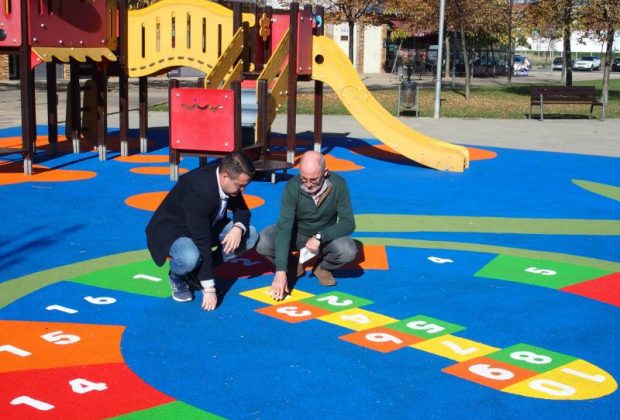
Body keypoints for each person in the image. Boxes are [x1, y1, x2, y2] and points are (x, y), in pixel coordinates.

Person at [146, 151, 258, 311]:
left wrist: (238, 227)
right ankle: (177, 276)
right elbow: (202, 240)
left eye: (245, 185)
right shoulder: (200, 190)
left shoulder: (228, 180)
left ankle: (198, 271)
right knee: (189, 256)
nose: (243, 190)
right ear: (225, 177)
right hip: (175, 230)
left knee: (250, 235)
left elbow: (243, 211)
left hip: (207, 224)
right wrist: (209, 288)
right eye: (241, 185)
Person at [256, 150, 357, 300]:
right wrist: (280, 270)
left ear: (325, 173)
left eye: (314, 179)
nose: (308, 184)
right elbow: (284, 227)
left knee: (348, 251)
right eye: (304, 179)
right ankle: (292, 265)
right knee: (263, 241)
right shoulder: (292, 187)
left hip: (324, 237)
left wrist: (320, 237)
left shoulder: (339, 184)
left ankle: (321, 267)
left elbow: (348, 224)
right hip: (297, 234)